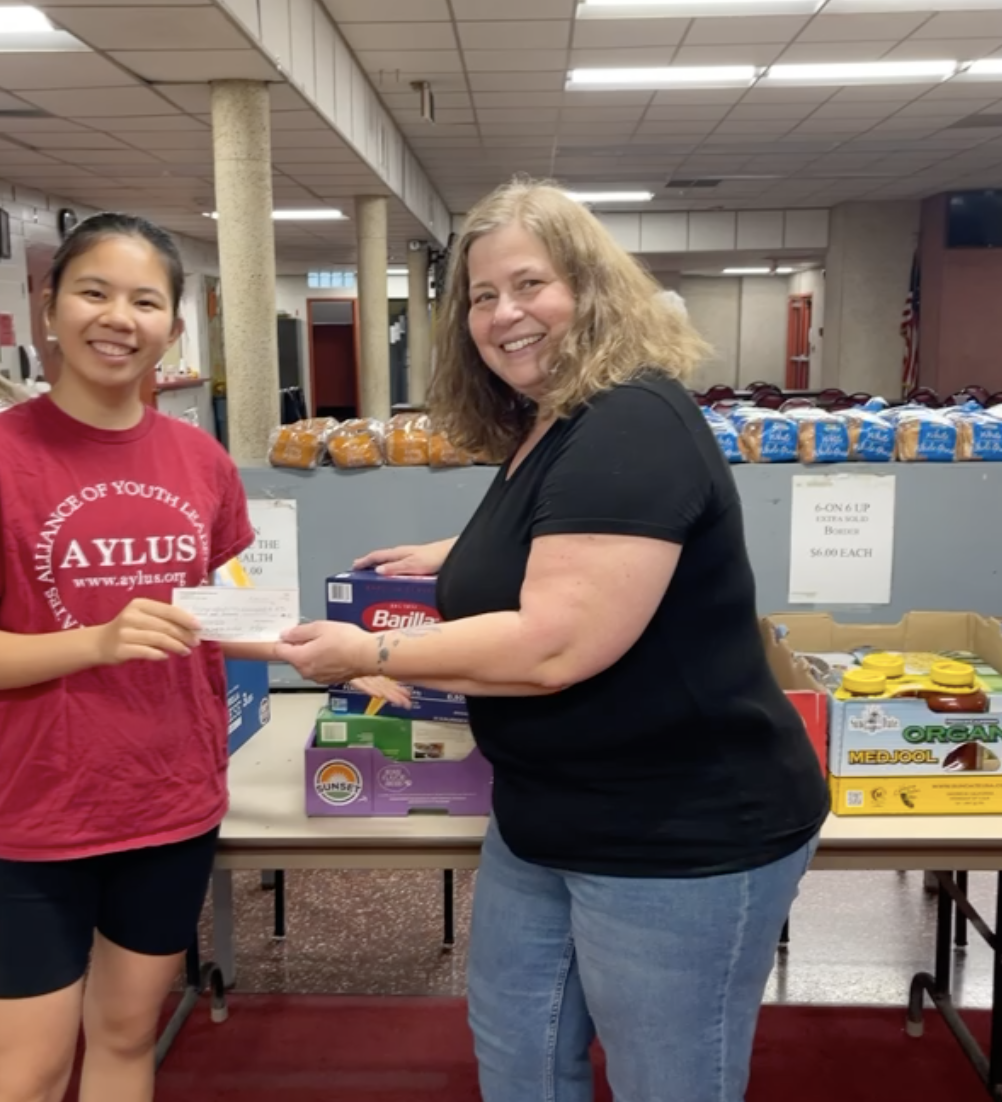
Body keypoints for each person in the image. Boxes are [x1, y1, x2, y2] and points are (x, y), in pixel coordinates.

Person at [275, 180, 830, 1102]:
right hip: (547, 813)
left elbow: (553, 647)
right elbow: (568, 533)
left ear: (590, 288)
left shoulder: (632, 421)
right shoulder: (557, 419)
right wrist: (458, 555)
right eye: (483, 296)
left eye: (530, 285)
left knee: (668, 1082)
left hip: (677, 830)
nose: (505, 314)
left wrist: (367, 654)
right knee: (519, 1057)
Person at [0, 213, 280, 1102]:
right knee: (26, 1072)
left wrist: (347, 652)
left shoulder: (201, 461)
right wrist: (98, 641)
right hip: (41, 808)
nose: (118, 318)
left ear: (173, 327)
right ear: (50, 308)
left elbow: (212, 617)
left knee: (124, 1039)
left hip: (171, 798)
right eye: (94, 292)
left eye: (145, 301)